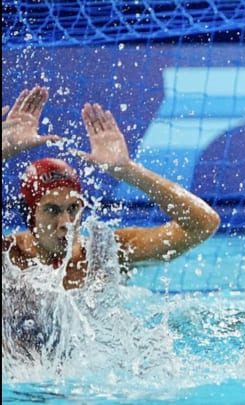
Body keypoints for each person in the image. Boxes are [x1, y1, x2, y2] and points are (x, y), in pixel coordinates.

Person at [2, 85, 221, 289]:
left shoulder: (105, 253)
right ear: (28, 213)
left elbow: (203, 224)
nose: (66, 223)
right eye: (52, 210)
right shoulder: (8, 256)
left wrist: (128, 171)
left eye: (73, 208)